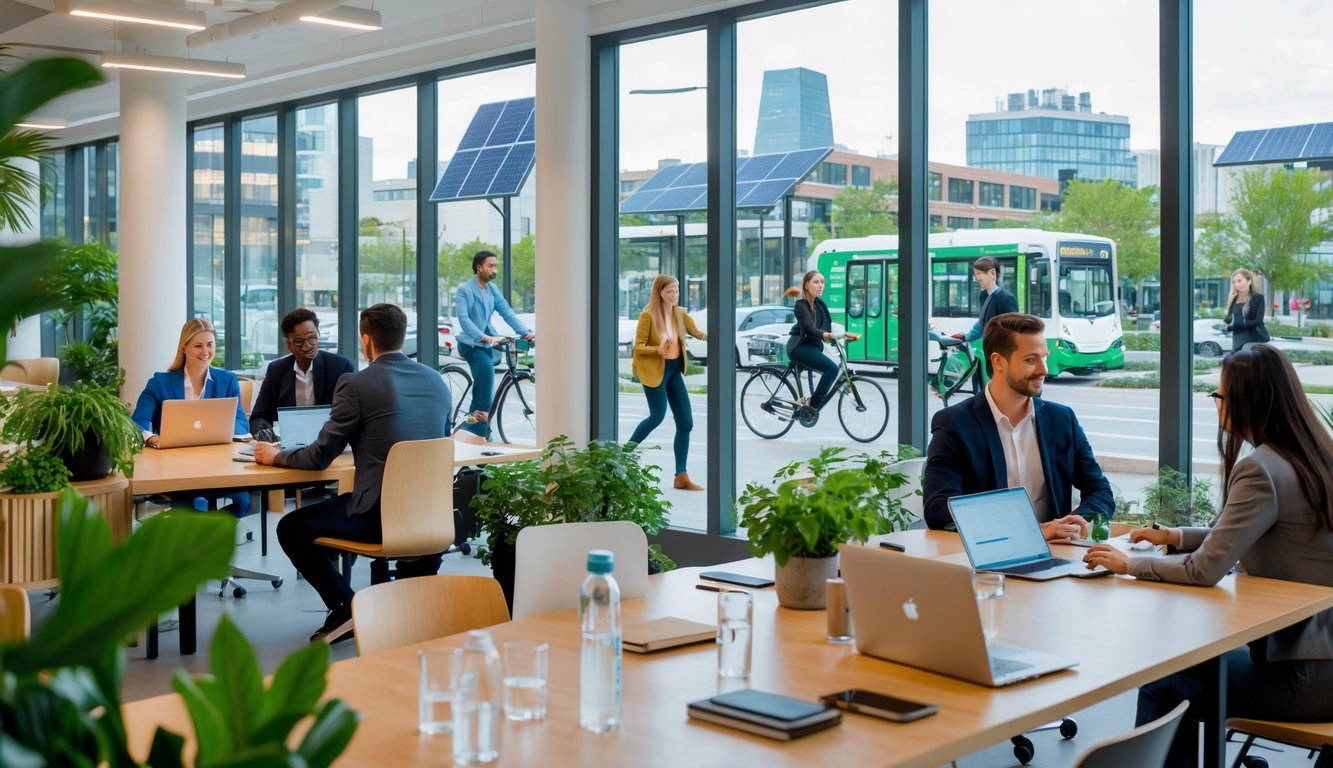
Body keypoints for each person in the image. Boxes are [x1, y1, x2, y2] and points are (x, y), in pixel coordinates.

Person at [1083, 345, 1333, 767]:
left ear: (1244, 402)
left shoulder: (1262, 468)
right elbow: (1254, 529)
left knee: (1164, 679)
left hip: (1304, 676)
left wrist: (1130, 565)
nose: (1217, 404)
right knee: (1194, 663)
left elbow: (1205, 570)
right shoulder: (1314, 454)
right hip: (1323, 658)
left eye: (1219, 395)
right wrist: (1176, 535)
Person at [254, 304, 451, 642]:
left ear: (366, 341)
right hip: (432, 515)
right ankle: (404, 606)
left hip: (379, 518)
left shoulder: (357, 384)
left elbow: (319, 457)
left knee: (291, 526)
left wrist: (275, 457)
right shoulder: (437, 381)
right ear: (402, 337)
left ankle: (347, 606)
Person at [922, 312, 1113, 539]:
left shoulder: (1062, 419)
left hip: (1056, 554)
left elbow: (1100, 491)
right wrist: (1032, 531)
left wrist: (1076, 521)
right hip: (988, 558)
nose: (1044, 369)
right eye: (1031, 360)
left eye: (1044, 356)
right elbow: (938, 509)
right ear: (998, 362)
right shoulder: (955, 424)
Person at [131, 317, 251, 515]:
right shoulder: (160, 382)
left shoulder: (227, 380)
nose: (206, 352)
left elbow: (241, 425)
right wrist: (152, 438)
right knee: (186, 507)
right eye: (198, 345)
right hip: (175, 467)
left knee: (243, 502)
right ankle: (200, 537)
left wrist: (216, 430)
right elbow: (137, 423)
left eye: (210, 345)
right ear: (184, 348)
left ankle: (207, 532)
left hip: (219, 463)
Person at [627, 275, 707, 491]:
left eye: (677, 291)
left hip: (674, 371)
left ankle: (681, 476)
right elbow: (639, 347)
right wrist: (657, 349)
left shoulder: (680, 313)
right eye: (670, 291)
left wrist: (717, 335)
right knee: (657, 416)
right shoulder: (648, 315)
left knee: (686, 423)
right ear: (659, 292)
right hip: (655, 370)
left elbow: (699, 334)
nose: (674, 295)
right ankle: (623, 456)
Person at [455, 250, 534, 439]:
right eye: (491, 266)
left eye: (495, 265)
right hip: (471, 343)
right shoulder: (464, 290)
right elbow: (464, 320)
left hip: (488, 340)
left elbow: (506, 312)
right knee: (486, 383)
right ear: (479, 267)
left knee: (484, 385)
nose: (494, 269)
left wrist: (526, 332)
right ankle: (478, 435)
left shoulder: (492, 289)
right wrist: (483, 337)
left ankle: (470, 426)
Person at [249, 307, 354, 442]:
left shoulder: (341, 368)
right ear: (288, 343)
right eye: (298, 341)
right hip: (289, 444)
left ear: (318, 334)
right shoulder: (276, 370)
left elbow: (350, 416)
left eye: (312, 338)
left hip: (329, 444)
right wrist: (262, 430)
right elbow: (258, 417)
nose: (307, 346)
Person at [785, 270, 858, 423]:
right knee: (832, 369)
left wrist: (841, 336)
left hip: (813, 347)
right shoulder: (801, 305)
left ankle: (808, 403)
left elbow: (826, 328)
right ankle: (812, 408)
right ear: (807, 285)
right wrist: (825, 335)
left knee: (830, 369)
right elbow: (809, 327)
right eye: (816, 282)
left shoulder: (820, 305)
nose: (820, 285)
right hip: (799, 347)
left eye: (822, 282)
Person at [951, 255, 1018, 387]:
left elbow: (1013, 331)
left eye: (980, 273)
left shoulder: (1006, 298)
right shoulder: (984, 296)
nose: (977, 278)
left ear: (993, 273)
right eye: (976, 274)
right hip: (990, 355)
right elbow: (984, 323)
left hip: (1002, 359)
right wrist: (967, 336)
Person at [1222, 267, 1269, 352]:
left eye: (1239, 281)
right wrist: (1224, 326)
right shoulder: (1233, 299)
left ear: (1249, 281)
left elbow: (1258, 321)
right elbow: (1229, 319)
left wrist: (1234, 325)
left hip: (1255, 339)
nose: (1236, 284)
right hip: (1238, 340)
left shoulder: (1258, 298)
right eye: (1234, 282)